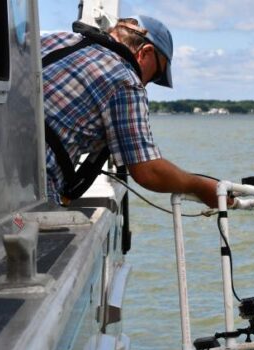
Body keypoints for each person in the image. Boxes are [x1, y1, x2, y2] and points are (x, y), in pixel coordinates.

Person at [41, 16, 220, 208]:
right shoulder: (125, 82)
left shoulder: (59, 38)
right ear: (146, 52)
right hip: (32, 186)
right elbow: (148, 171)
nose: (145, 84)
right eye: (155, 75)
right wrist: (200, 187)